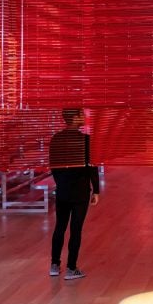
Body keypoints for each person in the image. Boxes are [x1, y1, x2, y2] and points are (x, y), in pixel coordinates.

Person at [48, 108, 100, 280]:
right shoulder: (85, 141)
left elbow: (53, 166)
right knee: (75, 229)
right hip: (80, 191)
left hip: (62, 189)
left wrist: (60, 183)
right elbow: (92, 167)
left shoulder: (56, 139)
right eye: (80, 114)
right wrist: (96, 190)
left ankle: (54, 265)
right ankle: (71, 268)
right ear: (74, 118)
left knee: (60, 227)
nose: (84, 117)